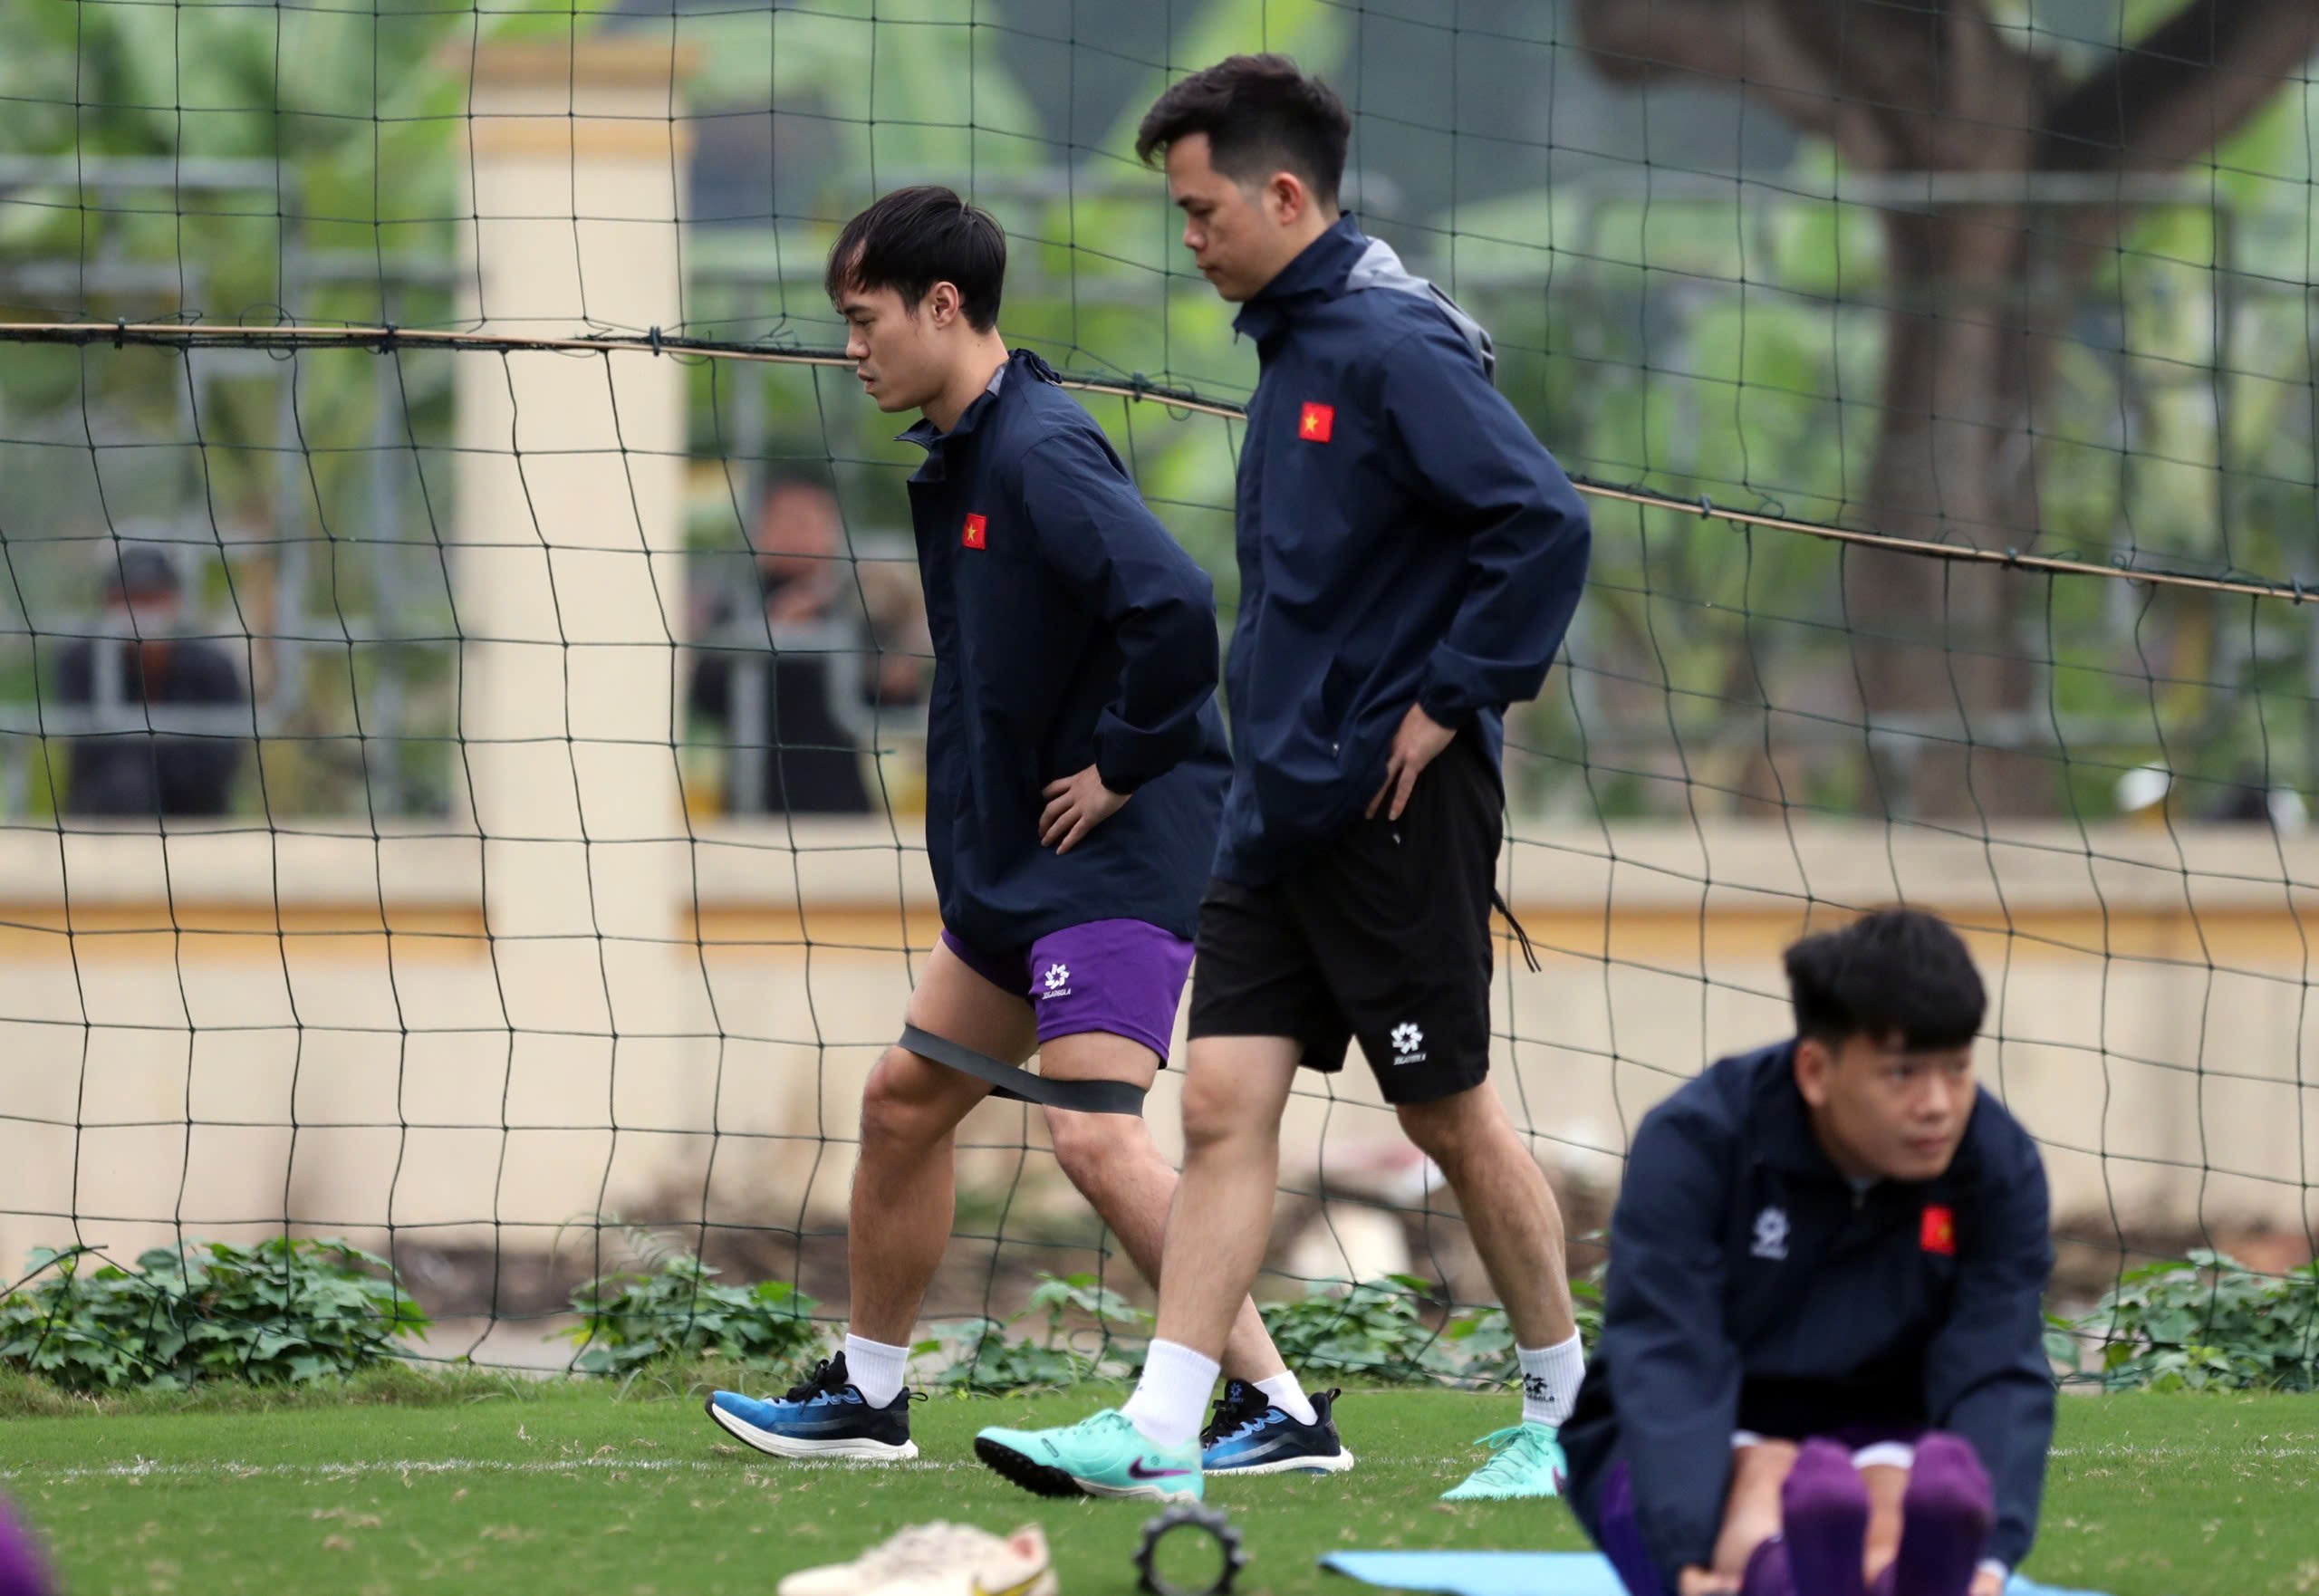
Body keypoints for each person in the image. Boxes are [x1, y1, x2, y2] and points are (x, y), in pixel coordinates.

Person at [974, 55, 1593, 1504]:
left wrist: (1452, 702)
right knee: (1221, 1106)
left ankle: (1569, 1407)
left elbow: (1543, 525)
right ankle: (1165, 1422)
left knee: (1447, 1110)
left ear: (1285, 193)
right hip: (1278, 805)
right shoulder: (1293, 345)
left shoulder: (1390, 344)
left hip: (1394, 799)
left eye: (1201, 211)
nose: (1188, 238)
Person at [702, 185, 1350, 1482]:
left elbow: (1176, 607)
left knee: (1096, 1136)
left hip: (1112, 858)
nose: (853, 347)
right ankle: (873, 1394)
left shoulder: (1039, 447)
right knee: (902, 1103)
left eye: (865, 317)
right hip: (1019, 871)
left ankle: (1279, 1407)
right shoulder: (967, 450)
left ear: (944, 307)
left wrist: (1121, 761)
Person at [1561, 909, 2055, 1596]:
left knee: (1896, 1492)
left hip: (1888, 1439)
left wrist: (1990, 1559)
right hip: (1690, 1438)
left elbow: (1996, 1366)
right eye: (1904, 1072)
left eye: (1957, 1068)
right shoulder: (1697, 1142)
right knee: (1756, 1492)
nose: (1939, 1104)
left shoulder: (1997, 1166)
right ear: (1816, 1070)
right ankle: (1783, 1557)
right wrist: (1684, 1561)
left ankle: (1898, 1570)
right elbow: (1670, 1355)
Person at [688, 471, 926, 815]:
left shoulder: (855, 607)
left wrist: (898, 673)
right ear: (762, 530)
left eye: (818, 521)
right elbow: (705, 696)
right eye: (792, 520)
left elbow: (894, 709)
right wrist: (776, 626)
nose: (806, 533)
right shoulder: (739, 601)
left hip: (841, 807)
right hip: (756, 805)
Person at [53, 543, 247, 817]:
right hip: (105, 823)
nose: (139, 612)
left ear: (175, 600)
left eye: (150, 598)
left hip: (196, 819)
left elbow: (220, 762)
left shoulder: (214, 666)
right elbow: (90, 754)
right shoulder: (80, 661)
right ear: (109, 602)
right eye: (129, 598)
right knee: (125, 784)